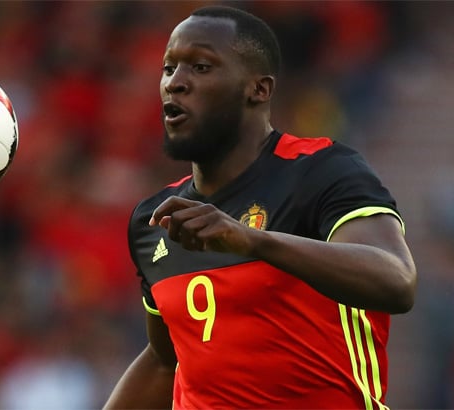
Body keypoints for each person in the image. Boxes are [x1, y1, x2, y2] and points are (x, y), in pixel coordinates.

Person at [104, 5, 417, 409]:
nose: (175, 83)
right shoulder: (156, 220)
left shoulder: (320, 172)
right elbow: (165, 360)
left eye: (200, 67)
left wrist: (254, 242)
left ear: (259, 89)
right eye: (169, 69)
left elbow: (396, 281)